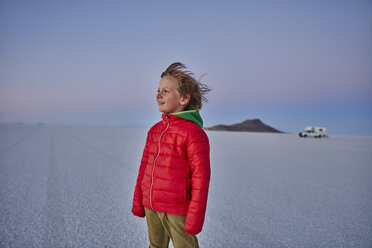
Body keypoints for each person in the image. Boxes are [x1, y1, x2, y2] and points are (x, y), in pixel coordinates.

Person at [132, 62, 211, 248]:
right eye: (158, 90)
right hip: (152, 205)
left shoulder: (193, 133)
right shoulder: (154, 131)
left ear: (184, 99)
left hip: (178, 210)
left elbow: (201, 179)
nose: (158, 95)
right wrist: (139, 200)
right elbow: (144, 167)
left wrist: (194, 219)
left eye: (166, 91)